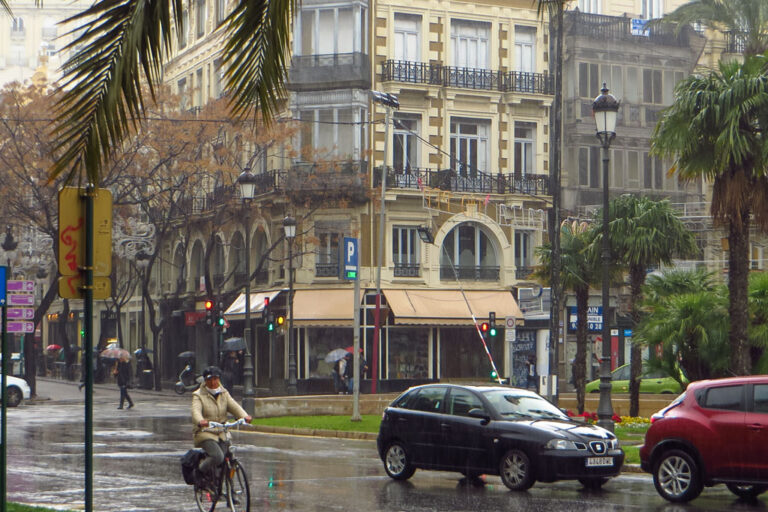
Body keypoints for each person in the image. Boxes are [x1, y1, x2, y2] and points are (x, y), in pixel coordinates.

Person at [191, 366, 252, 480]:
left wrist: (244, 416)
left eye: (216, 379)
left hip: (222, 431)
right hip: (205, 432)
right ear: (205, 381)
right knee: (218, 456)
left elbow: (234, 406)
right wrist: (201, 421)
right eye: (210, 379)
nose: (213, 382)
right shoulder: (198, 395)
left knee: (227, 456)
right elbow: (195, 411)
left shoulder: (224, 393)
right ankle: (199, 472)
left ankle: (226, 487)